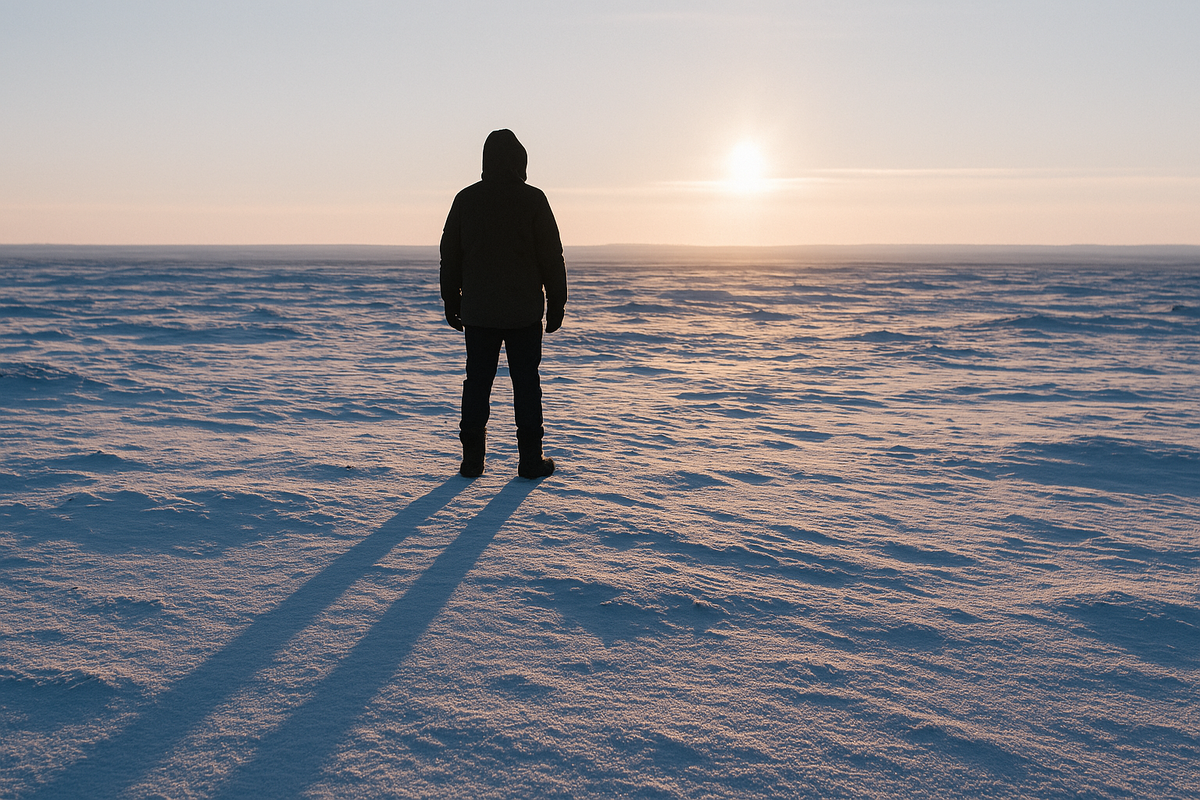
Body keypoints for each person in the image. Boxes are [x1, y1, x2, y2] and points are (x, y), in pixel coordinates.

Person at [440, 129, 567, 479]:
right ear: (520, 161)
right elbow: (551, 256)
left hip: (479, 312)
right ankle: (530, 461)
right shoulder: (533, 200)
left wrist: (451, 298)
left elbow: (450, 255)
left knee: (476, 384)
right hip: (524, 312)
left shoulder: (466, 200)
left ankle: (471, 461)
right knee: (526, 385)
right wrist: (557, 300)